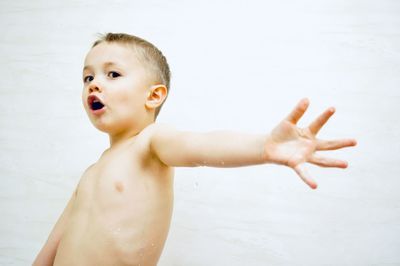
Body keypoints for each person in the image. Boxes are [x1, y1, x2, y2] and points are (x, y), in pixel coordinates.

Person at [32, 32, 357, 266]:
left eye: (112, 74)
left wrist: (264, 146)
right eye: (87, 77)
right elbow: (53, 246)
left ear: (154, 96)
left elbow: (200, 145)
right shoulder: (91, 174)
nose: (94, 84)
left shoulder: (150, 143)